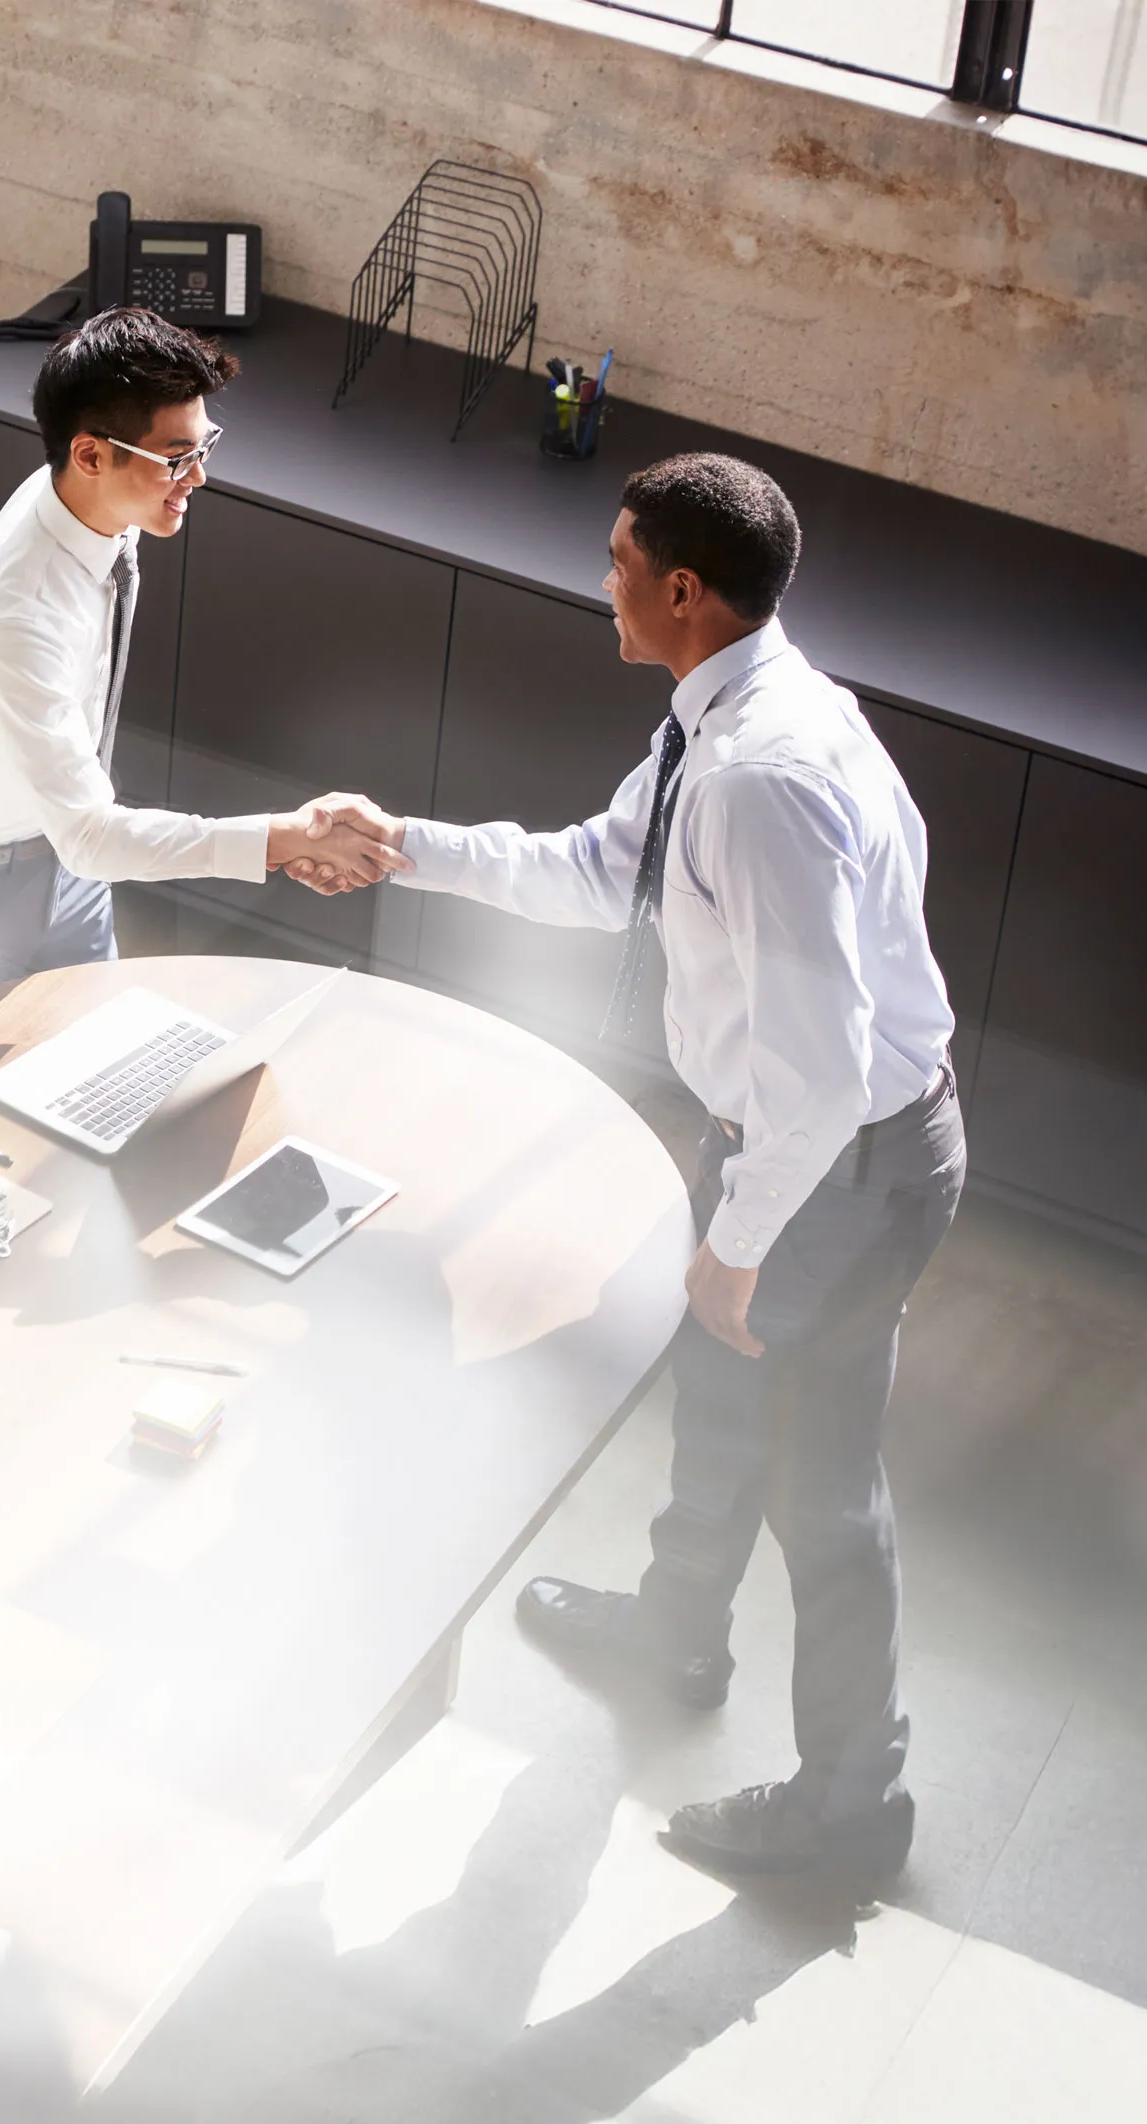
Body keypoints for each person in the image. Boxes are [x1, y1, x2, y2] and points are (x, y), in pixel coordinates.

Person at [295, 453, 964, 1882]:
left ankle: (853, 1810)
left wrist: (740, 1242)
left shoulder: (762, 781)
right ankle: (676, 1635)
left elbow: (827, 1070)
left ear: (680, 589)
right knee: (723, 1403)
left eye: (615, 561)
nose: (599, 580)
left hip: (838, 1169)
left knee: (824, 1494)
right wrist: (402, 849)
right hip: (801, 1152)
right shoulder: (729, 722)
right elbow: (599, 874)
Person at [0, 309, 407, 1028]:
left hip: (65, 863)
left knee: (85, 1071)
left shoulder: (87, 508)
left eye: (204, 446)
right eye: (176, 457)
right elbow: (93, 834)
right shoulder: (18, 615)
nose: (199, 475)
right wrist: (284, 837)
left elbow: (83, 839)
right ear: (89, 455)